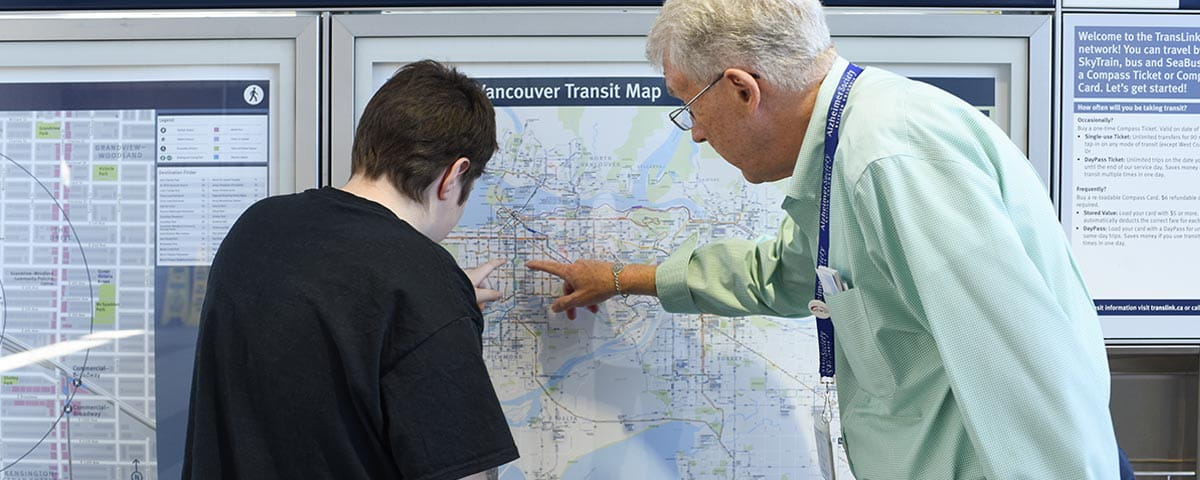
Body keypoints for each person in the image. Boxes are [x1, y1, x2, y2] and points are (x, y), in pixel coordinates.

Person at [525, 0, 1121, 478]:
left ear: (742, 87)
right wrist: (625, 279)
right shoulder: (844, 145)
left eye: (690, 105)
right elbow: (789, 275)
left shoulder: (890, 159)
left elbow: (1021, 369)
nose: (699, 134)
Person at [184, 60, 518, 480]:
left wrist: (436, 307)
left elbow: (329, 324)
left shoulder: (257, 227)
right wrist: (437, 303)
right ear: (454, 176)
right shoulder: (423, 281)